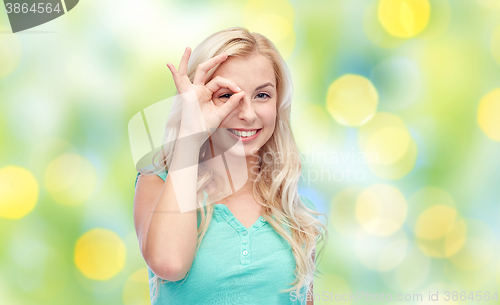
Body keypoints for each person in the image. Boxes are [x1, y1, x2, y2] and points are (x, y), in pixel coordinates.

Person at [133, 27, 328, 304]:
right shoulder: (157, 183)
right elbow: (169, 264)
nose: (247, 114)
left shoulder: (289, 203)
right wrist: (191, 132)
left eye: (262, 95)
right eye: (226, 96)